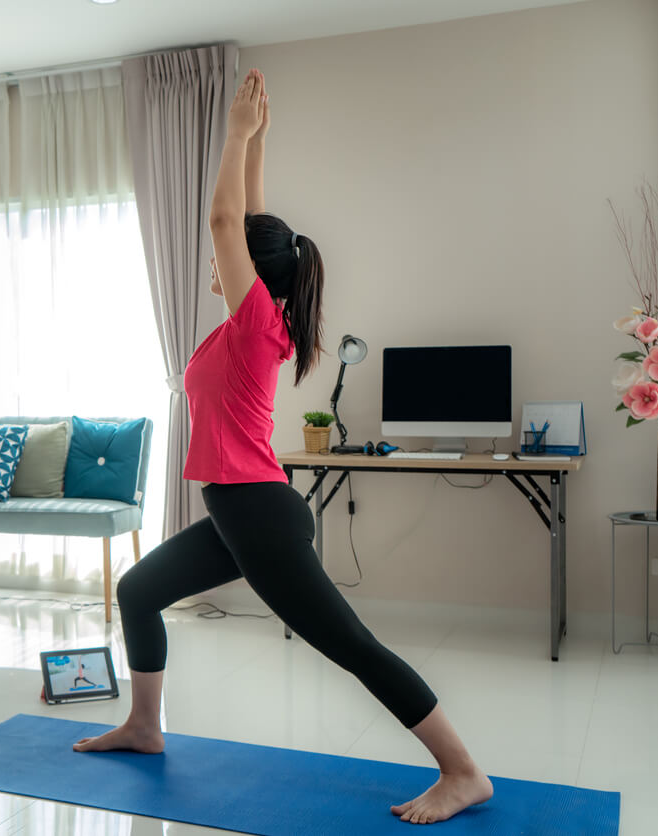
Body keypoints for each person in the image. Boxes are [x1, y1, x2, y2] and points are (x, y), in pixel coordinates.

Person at [70, 69, 492, 826]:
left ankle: (463, 772)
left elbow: (226, 222)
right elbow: (251, 224)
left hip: (258, 515)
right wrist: (259, 140)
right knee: (138, 592)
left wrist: (234, 135)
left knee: (350, 645)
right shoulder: (256, 319)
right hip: (240, 511)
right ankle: (143, 725)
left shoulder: (257, 321)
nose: (216, 260)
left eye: (229, 256)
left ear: (252, 272)